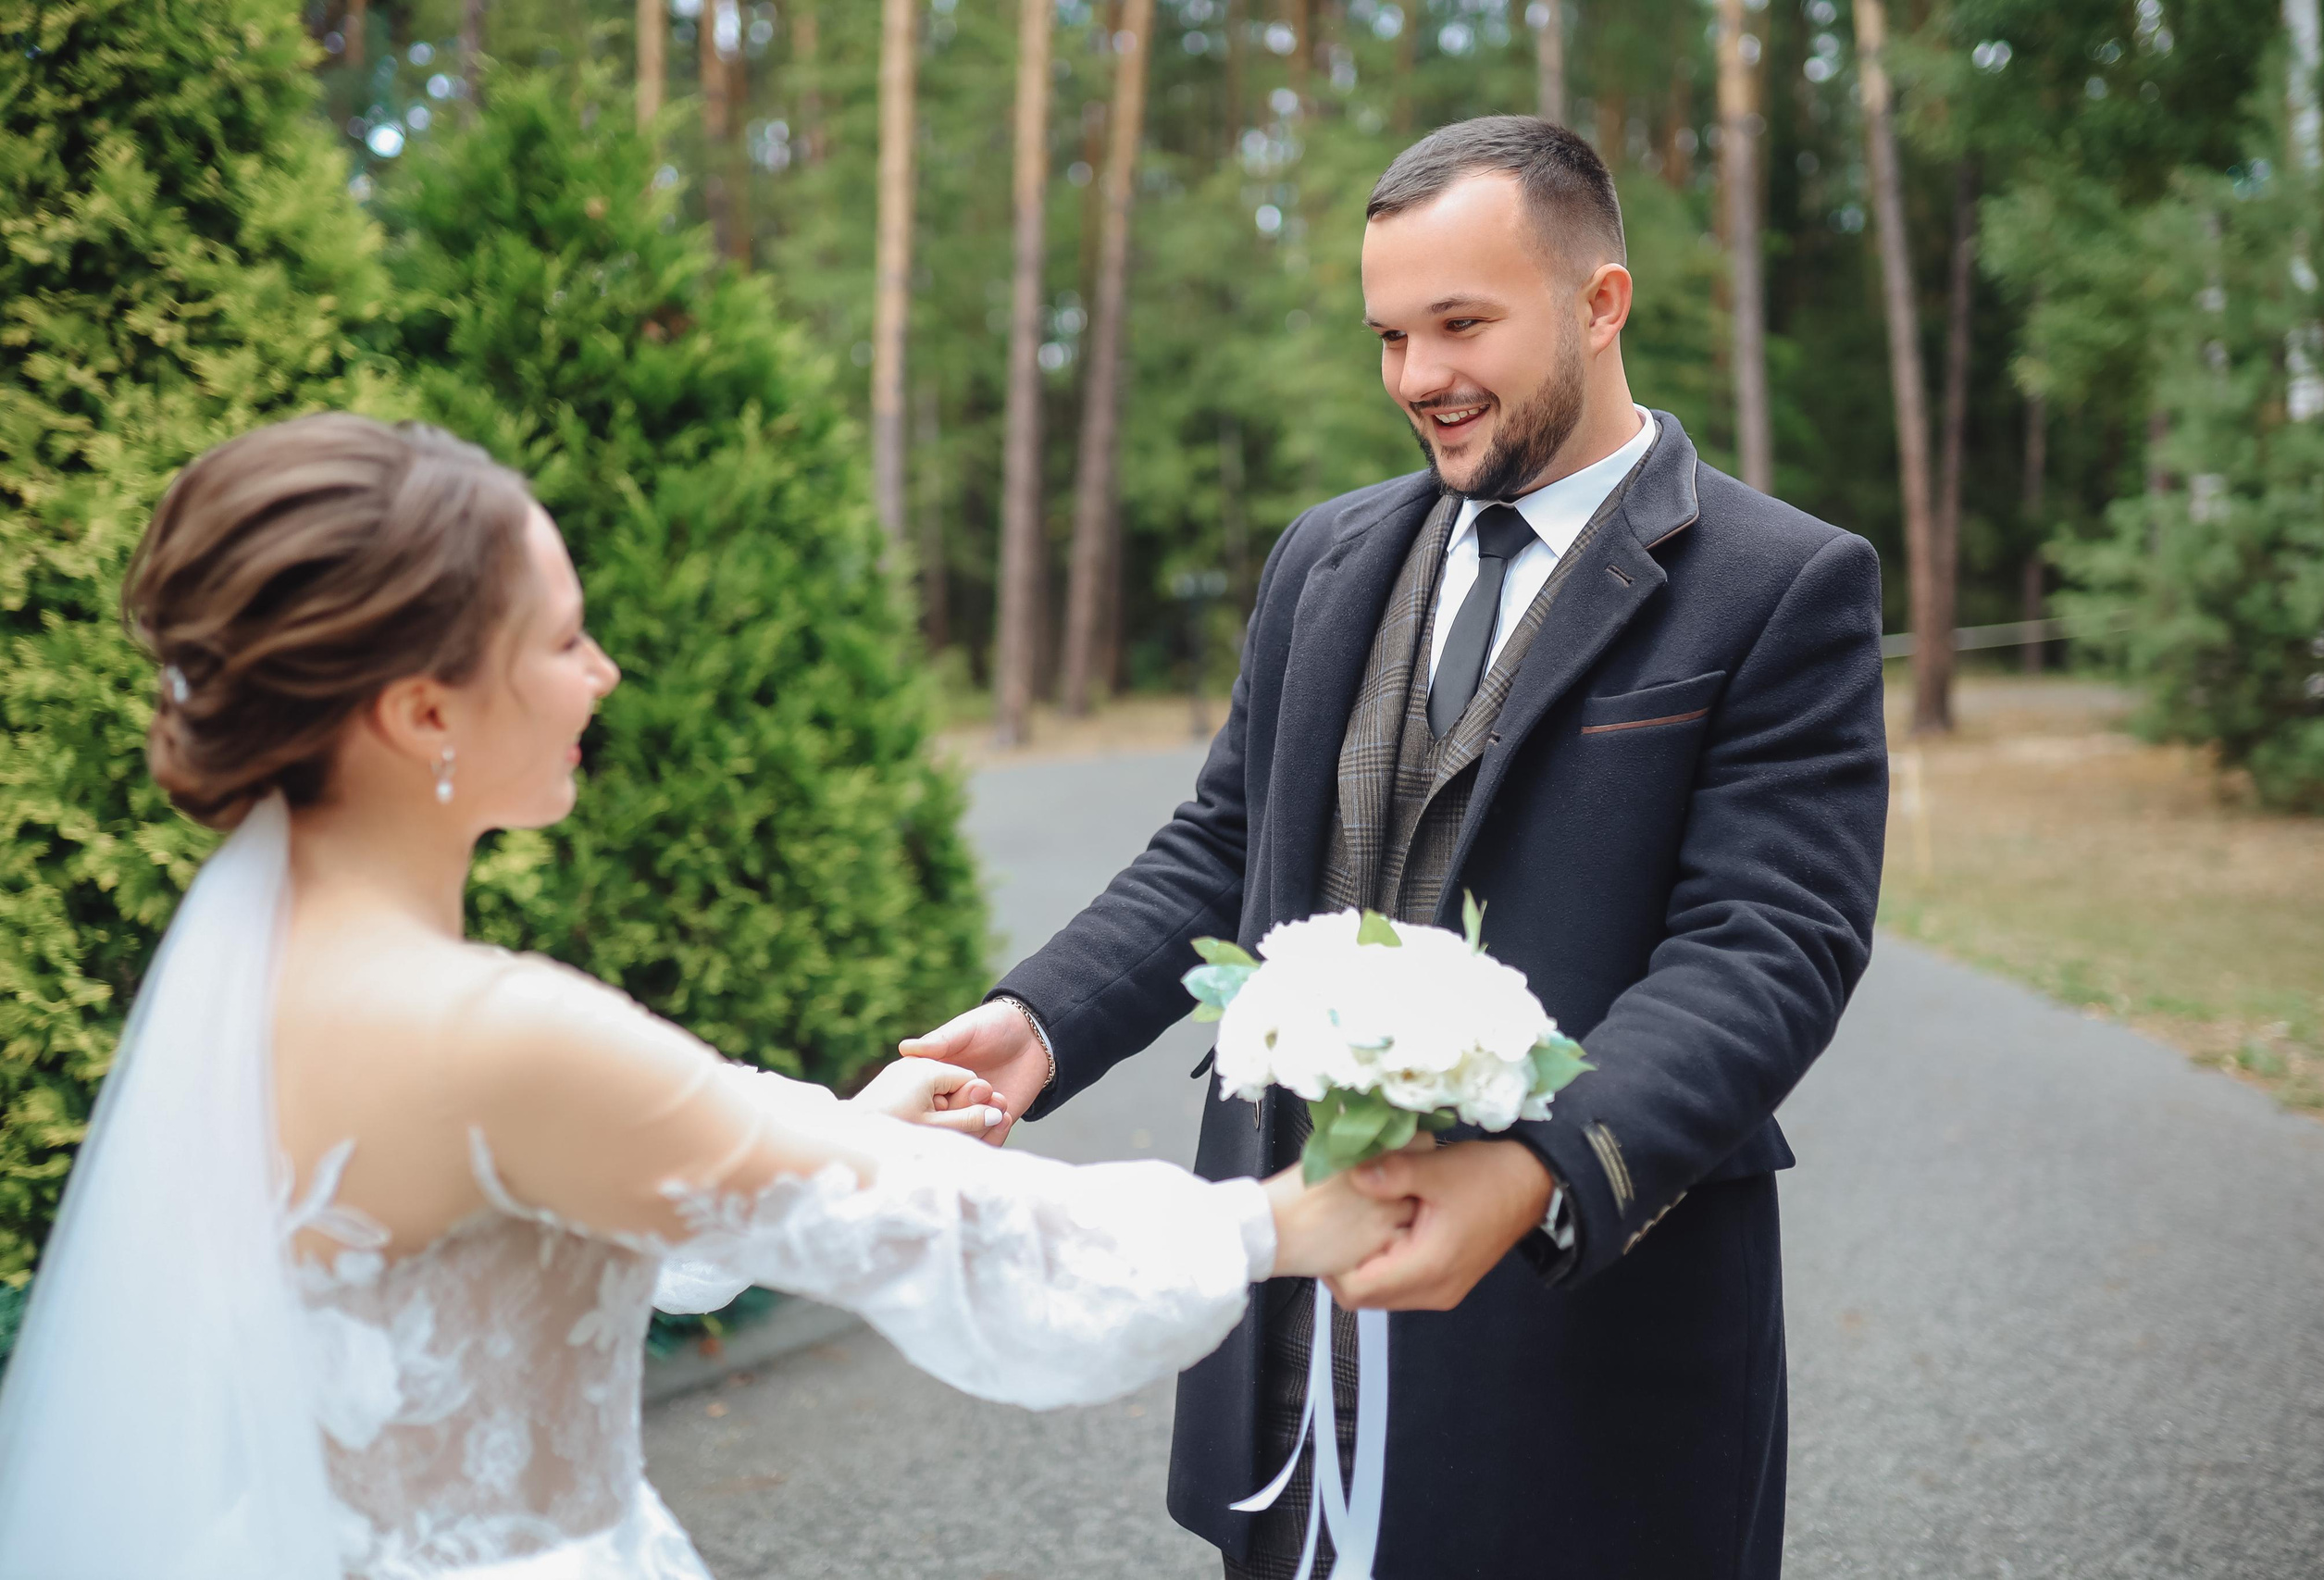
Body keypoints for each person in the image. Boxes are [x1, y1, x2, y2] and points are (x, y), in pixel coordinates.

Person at [0, 413, 1414, 1580]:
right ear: (424, 712)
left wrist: (859, 1123)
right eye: (562, 641)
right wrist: (1280, 1222)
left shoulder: (258, 982)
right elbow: (971, 1241)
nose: (602, 675)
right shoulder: (493, 1034)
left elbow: (599, 1198)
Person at [902, 116, 1889, 1578]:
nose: (1420, 377)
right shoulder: (1325, 556)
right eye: (1389, 336)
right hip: (1292, 1302)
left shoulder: (1779, 583)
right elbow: (1225, 845)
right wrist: (1040, 1022)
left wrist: (1539, 1167)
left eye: (1461, 325)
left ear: (1601, 303)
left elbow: (1766, 949)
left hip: (1586, 1319)